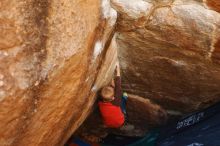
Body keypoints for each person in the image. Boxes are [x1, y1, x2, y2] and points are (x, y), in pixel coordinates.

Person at [98, 62, 130, 129]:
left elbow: (116, 89)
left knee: (117, 105)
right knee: (122, 100)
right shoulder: (116, 101)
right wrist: (118, 69)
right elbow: (118, 86)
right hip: (120, 122)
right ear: (113, 97)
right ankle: (125, 97)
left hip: (108, 124)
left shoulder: (100, 103)